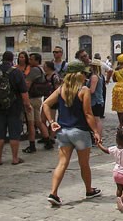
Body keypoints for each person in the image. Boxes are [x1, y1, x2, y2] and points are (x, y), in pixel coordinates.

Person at [42, 61, 102, 206]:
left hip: (63, 132)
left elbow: (46, 104)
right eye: (84, 73)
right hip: (79, 132)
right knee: (84, 164)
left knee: (62, 163)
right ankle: (89, 190)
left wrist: (51, 122)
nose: (86, 76)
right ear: (78, 74)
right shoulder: (83, 90)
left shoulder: (62, 89)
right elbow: (88, 113)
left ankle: (53, 193)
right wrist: (95, 131)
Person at [23, 53, 53, 153]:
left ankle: (32, 145)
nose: (29, 61)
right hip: (38, 99)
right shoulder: (40, 70)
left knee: (31, 123)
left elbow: (27, 85)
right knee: (38, 121)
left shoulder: (34, 70)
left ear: (37, 61)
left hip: (31, 99)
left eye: (31, 59)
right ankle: (47, 140)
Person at [88, 59, 105, 135]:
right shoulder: (100, 76)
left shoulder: (94, 77)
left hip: (95, 101)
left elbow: (92, 90)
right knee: (97, 119)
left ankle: (98, 135)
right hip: (98, 100)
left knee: (96, 119)